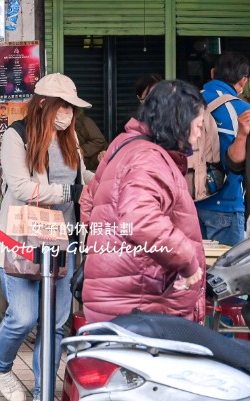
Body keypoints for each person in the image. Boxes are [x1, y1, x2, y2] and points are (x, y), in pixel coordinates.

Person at [0, 73, 93, 401]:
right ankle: (1, 368)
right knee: (23, 317)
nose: (68, 112)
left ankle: (43, 394)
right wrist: (72, 191)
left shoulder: (71, 138)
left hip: (62, 244)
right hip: (21, 241)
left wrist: (106, 177)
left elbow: (81, 177)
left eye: (71, 107)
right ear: (42, 104)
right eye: (62, 105)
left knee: (54, 324)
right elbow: (22, 187)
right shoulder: (16, 135)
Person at [79, 80, 207, 325]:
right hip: (140, 302)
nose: (200, 134)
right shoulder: (148, 158)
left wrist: (108, 249)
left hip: (121, 294)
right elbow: (141, 219)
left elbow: (89, 200)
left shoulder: (124, 145)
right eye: (198, 125)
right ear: (178, 120)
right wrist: (187, 261)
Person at [200, 51, 250, 246]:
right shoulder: (244, 111)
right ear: (244, 81)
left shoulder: (185, 103)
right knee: (225, 274)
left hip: (187, 204)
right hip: (227, 202)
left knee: (191, 273)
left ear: (213, 73)